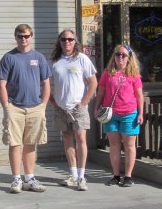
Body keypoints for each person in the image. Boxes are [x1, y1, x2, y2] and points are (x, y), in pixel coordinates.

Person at [0, 23, 51, 193]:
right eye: (20, 36)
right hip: (15, 108)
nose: (23, 39)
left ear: (31, 37)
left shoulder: (39, 58)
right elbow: (1, 85)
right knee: (14, 143)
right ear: (16, 37)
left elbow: (46, 84)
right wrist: (6, 107)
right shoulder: (8, 58)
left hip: (35, 108)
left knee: (30, 144)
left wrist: (43, 105)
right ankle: (16, 179)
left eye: (26, 36)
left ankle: (29, 178)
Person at [50, 29, 97, 191]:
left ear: (75, 41)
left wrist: (84, 102)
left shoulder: (82, 59)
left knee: (81, 138)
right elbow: (46, 84)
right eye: (63, 40)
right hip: (61, 108)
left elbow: (93, 83)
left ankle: (82, 176)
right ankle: (73, 174)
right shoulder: (55, 61)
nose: (67, 42)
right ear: (60, 42)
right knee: (67, 138)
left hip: (78, 108)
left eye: (70, 39)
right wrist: (53, 103)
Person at [93, 43, 144, 187]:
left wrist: (140, 113)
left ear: (129, 58)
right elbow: (101, 92)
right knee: (114, 145)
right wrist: (96, 108)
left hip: (129, 113)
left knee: (129, 145)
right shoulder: (107, 73)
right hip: (111, 114)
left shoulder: (134, 74)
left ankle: (128, 176)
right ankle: (116, 175)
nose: (120, 58)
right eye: (117, 54)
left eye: (123, 55)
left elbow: (139, 95)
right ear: (114, 57)